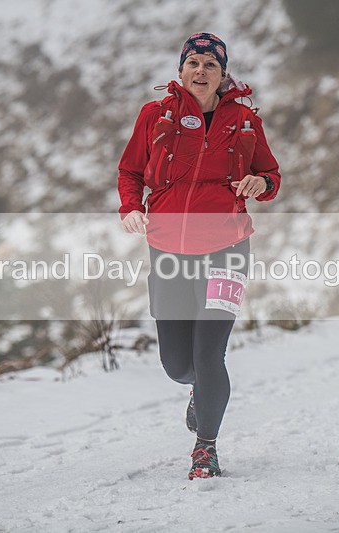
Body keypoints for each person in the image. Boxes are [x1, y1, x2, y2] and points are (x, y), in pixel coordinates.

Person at [117, 32, 281, 479]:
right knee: (177, 365)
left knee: (209, 356)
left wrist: (261, 184)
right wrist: (131, 207)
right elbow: (130, 170)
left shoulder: (245, 121)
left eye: (211, 64)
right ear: (181, 70)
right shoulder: (155, 116)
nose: (201, 71)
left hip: (228, 249)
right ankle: (197, 390)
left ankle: (205, 448)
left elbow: (270, 174)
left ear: (223, 74)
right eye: (194, 63)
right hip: (168, 249)